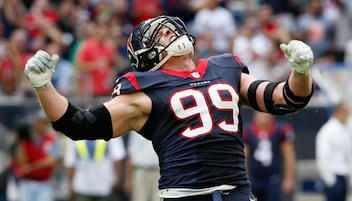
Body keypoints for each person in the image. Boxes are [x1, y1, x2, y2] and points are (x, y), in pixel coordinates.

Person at [24, 15, 314, 201]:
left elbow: (286, 100)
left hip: (237, 192)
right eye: (160, 34)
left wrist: (301, 72)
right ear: (147, 55)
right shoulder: (144, 91)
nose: (169, 31)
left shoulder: (224, 68)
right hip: (185, 195)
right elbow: (81, 125)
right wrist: (43, 86)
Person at [243, 111, 296, 201]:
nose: (262, 116)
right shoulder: (248, 131)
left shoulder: (280, 130)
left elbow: (289, 156)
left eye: (265, 113)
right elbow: (244, 156)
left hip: (273, 178)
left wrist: (289, 178)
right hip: (253, 178)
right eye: (260, 113)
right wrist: (244, 179)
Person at [315, 101, 352, 201]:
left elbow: (350, 156)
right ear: (337, 112)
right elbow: (322, 156)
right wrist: (329, 180)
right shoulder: (327, 131)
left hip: (344, 176)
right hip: (334, 177)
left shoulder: (347, 130)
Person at [11, 110, 60, 201]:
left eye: (45, 123)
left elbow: (51, 161)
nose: (42, 125)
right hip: (27, 182)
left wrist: (32, 167)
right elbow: (21, 163)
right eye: (40, 122)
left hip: (44, 183)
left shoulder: (51, 139)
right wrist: (20, 142)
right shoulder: (26, 139)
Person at [125, 131, 160, 201]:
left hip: (159, 172)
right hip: (141, 170)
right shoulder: (136, 127)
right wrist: (128, 180)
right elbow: (131, 155)